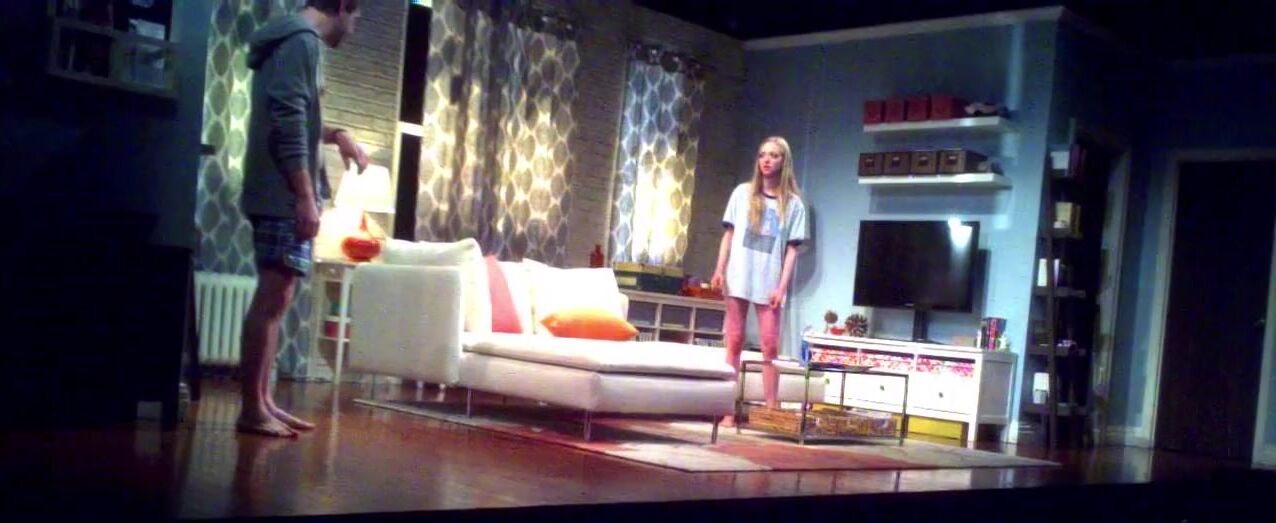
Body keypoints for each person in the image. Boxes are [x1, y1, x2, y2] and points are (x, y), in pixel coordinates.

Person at [238, 0, 368, 437]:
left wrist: (336, 134)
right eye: (356, 17)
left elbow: (301, 116)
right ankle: (252, 409)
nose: (354, 27)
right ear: (343, 6)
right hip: (282, 193)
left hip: (278, 191)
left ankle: (263, 402)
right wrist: (305, 196)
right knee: (272, 299)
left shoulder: (292, 39)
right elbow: (287, 121)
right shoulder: (301, 41)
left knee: (279, 299)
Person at [711, 136, 808, 427]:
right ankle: (727, 410)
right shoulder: (742, 194)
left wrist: (781, 286)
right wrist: (719, 269)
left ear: (784, 161)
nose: (767, 160)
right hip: (738, 276)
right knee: (734, 341)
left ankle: (771, 411)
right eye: (762, 154)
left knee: (769, 345)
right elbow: (728, 235)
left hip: (769, 282)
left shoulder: (793, 205)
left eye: (774, 155)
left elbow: (792, 250)